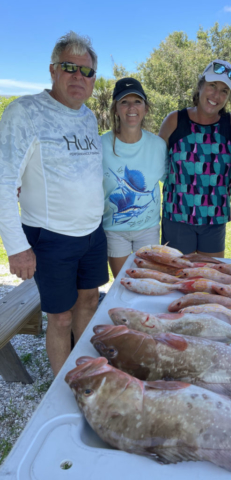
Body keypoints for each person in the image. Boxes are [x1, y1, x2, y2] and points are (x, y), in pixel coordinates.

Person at [0, 31, 108, 375]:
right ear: (52, 70)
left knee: (89, 301)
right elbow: (3, 183)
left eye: (87, 71)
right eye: (69, 67)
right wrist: (17, 247)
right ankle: (63, 389)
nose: (79, 76)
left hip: (93, 233)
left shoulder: (88, 116)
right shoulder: (25, 112)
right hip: (51, 237)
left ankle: (86, 372)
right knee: (60, 317)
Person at [159, 59, 231, 258]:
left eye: (224, 91)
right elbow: (157, 166)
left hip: (214, 221)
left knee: (208, 282)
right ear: (200, 85)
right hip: (177, 218)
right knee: (177, 280)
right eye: (212, 86)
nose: (217, 95)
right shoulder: (174, 121)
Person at [102, 78, 168, 278]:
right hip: (114, 229)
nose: (131, 108)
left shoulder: (158, 145)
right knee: (123, 282)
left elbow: (170, 180)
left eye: (137, 101)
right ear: (115, 108)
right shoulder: (100, 144)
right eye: (124, 102)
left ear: (146, 108)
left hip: (148, 229)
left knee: (148, 282)